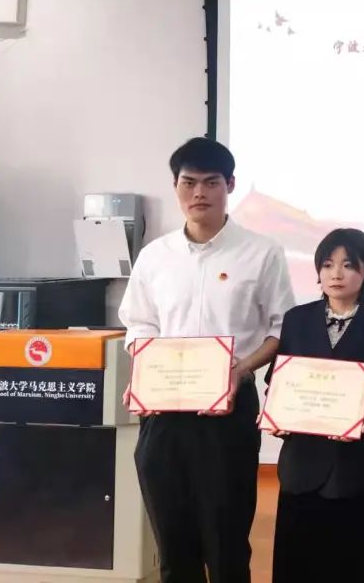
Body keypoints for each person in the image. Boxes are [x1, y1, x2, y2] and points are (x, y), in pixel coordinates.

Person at [119, 137, 295, 583]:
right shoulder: (154, 257)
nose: (199, 193)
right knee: (172, 544)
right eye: (189, 182)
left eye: (211, 182)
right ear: (176, 187)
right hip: (163, 414)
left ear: (230, 185)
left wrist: (241, 369)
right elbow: (139, 325)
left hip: (229, 411)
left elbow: (281, 328)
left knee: (226, 542)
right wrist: (145, 372)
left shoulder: (262, 252)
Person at [268, 228, 364, 583]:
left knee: (360, 565)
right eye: (328, 264)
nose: (336, 273)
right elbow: (279, 382)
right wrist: (277, 417)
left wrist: (363, 421)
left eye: (348, 265)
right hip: (303, 464)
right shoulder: (297, 319)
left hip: (360, 467)